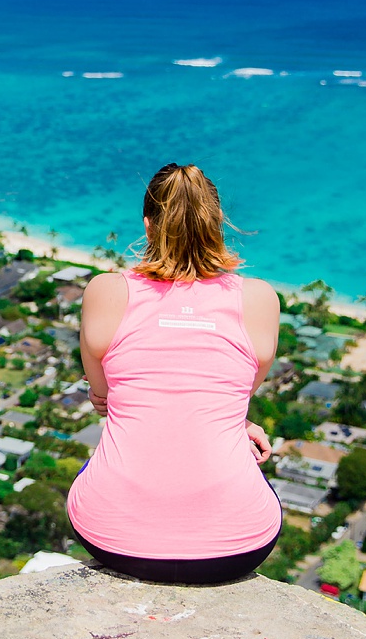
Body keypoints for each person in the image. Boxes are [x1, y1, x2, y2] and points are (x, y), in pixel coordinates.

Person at [65, 162, 282, 584]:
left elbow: (104, 397)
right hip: (238, 549)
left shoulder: (106, 291)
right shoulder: (259, 299)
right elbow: (231, 394)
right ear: (217, 222)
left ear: (148, 226)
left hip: (112, 539)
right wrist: (234, 424)